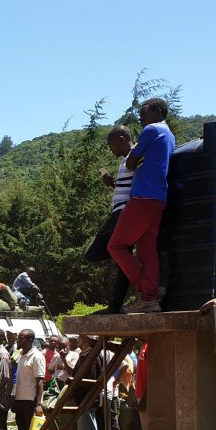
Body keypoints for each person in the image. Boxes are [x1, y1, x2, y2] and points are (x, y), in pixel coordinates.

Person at [109, 98, 176, 313]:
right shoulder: (169, 135)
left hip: (143, 197)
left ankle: (148, 294)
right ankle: (150, 298)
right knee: (147, 250)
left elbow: (130, 162)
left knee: (116, 246)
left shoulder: (151, 130)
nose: (140, 117)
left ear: (157, 110)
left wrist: (137, 159)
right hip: (158, 198)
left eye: (143, 111)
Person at [85, 126, 135, 314]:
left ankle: (135, 265)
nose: (110, 149)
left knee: (93, 253)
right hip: (121, 211)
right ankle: (115, 305)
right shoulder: (125, 162)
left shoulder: (135, 157)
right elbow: (130, 184)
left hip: (123, 212)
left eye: (111, 144)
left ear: (121, 139)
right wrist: (114, 184)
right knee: (122, 260)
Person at [11, 329, 45, 430]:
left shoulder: (37, 356)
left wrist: (39, 404)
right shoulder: (20, 354)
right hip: (19, 398)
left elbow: (40, 381)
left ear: (30, 340)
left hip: (30, 400)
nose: (18, 340)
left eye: (21, 338)